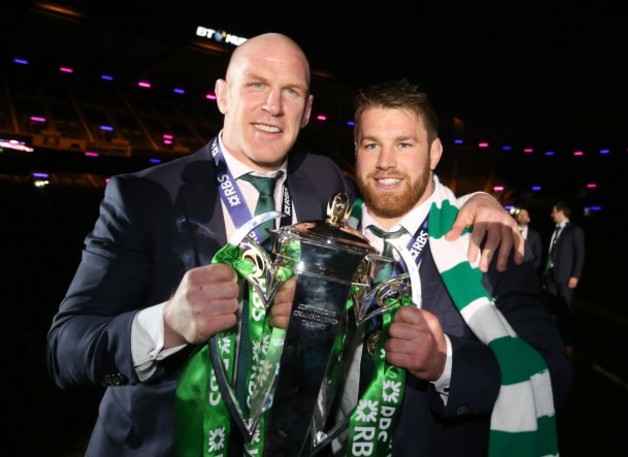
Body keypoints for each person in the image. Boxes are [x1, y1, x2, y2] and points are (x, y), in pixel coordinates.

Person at [46, 34, 525, 456]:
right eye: (256, 85)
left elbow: (396, 192)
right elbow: (66, 353)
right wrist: (167, 326)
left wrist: (476, 200)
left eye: (290, 91)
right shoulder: (142, 196)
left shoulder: (321, 180)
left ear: (308, 108)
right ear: (222, 95)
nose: (272, 106)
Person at [313, 78, 572, 456]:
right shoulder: (328, 239)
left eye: (404, 144)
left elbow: (554, 374)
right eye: (372, 145)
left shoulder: (486, 241)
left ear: (434, 153)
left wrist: (445, 363)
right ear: (356, 150)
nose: (386, 162)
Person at [543, 201, 586, 353]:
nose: (551, 215)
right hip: (552, 277)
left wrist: (575, 275)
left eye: (553, 212)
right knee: (553, 310)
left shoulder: (575, 230)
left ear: (561, 212)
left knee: (566, 311)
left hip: (566, 277)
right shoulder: (555, 231)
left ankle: (569, 342)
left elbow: (580, 255)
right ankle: (555, 339)